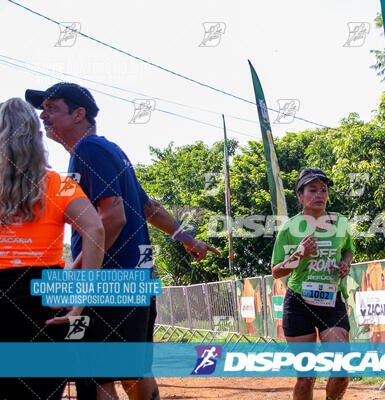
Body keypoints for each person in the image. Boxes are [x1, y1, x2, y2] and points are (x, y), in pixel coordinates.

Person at [25, 82, 222, 400]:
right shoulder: (109, 150)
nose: (44, 116)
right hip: (135, 279)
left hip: (106, 280)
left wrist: (74, 274)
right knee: (133, 371)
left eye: (52, 108)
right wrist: (186, 238)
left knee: (95, 377)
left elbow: (112, 217)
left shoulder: (89, 151)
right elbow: (148, 208)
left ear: (79, 114)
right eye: (42, 109)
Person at [0, 98, 105, 399]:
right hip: (44, 304)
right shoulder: (59, 184)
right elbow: (96, 229)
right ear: (36, 136)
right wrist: (80, 301)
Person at [271, 168, 355, 400]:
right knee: (306, 376)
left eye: (324, 190)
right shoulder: (290, 228)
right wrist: (300, 253)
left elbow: (348, 250)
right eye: (312, 190)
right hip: (298, 303)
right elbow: (277, 272)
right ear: (300, 196)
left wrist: (345, 264)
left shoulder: (341, 222)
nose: (319, 195)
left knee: (341, 369)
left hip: (332, 301)